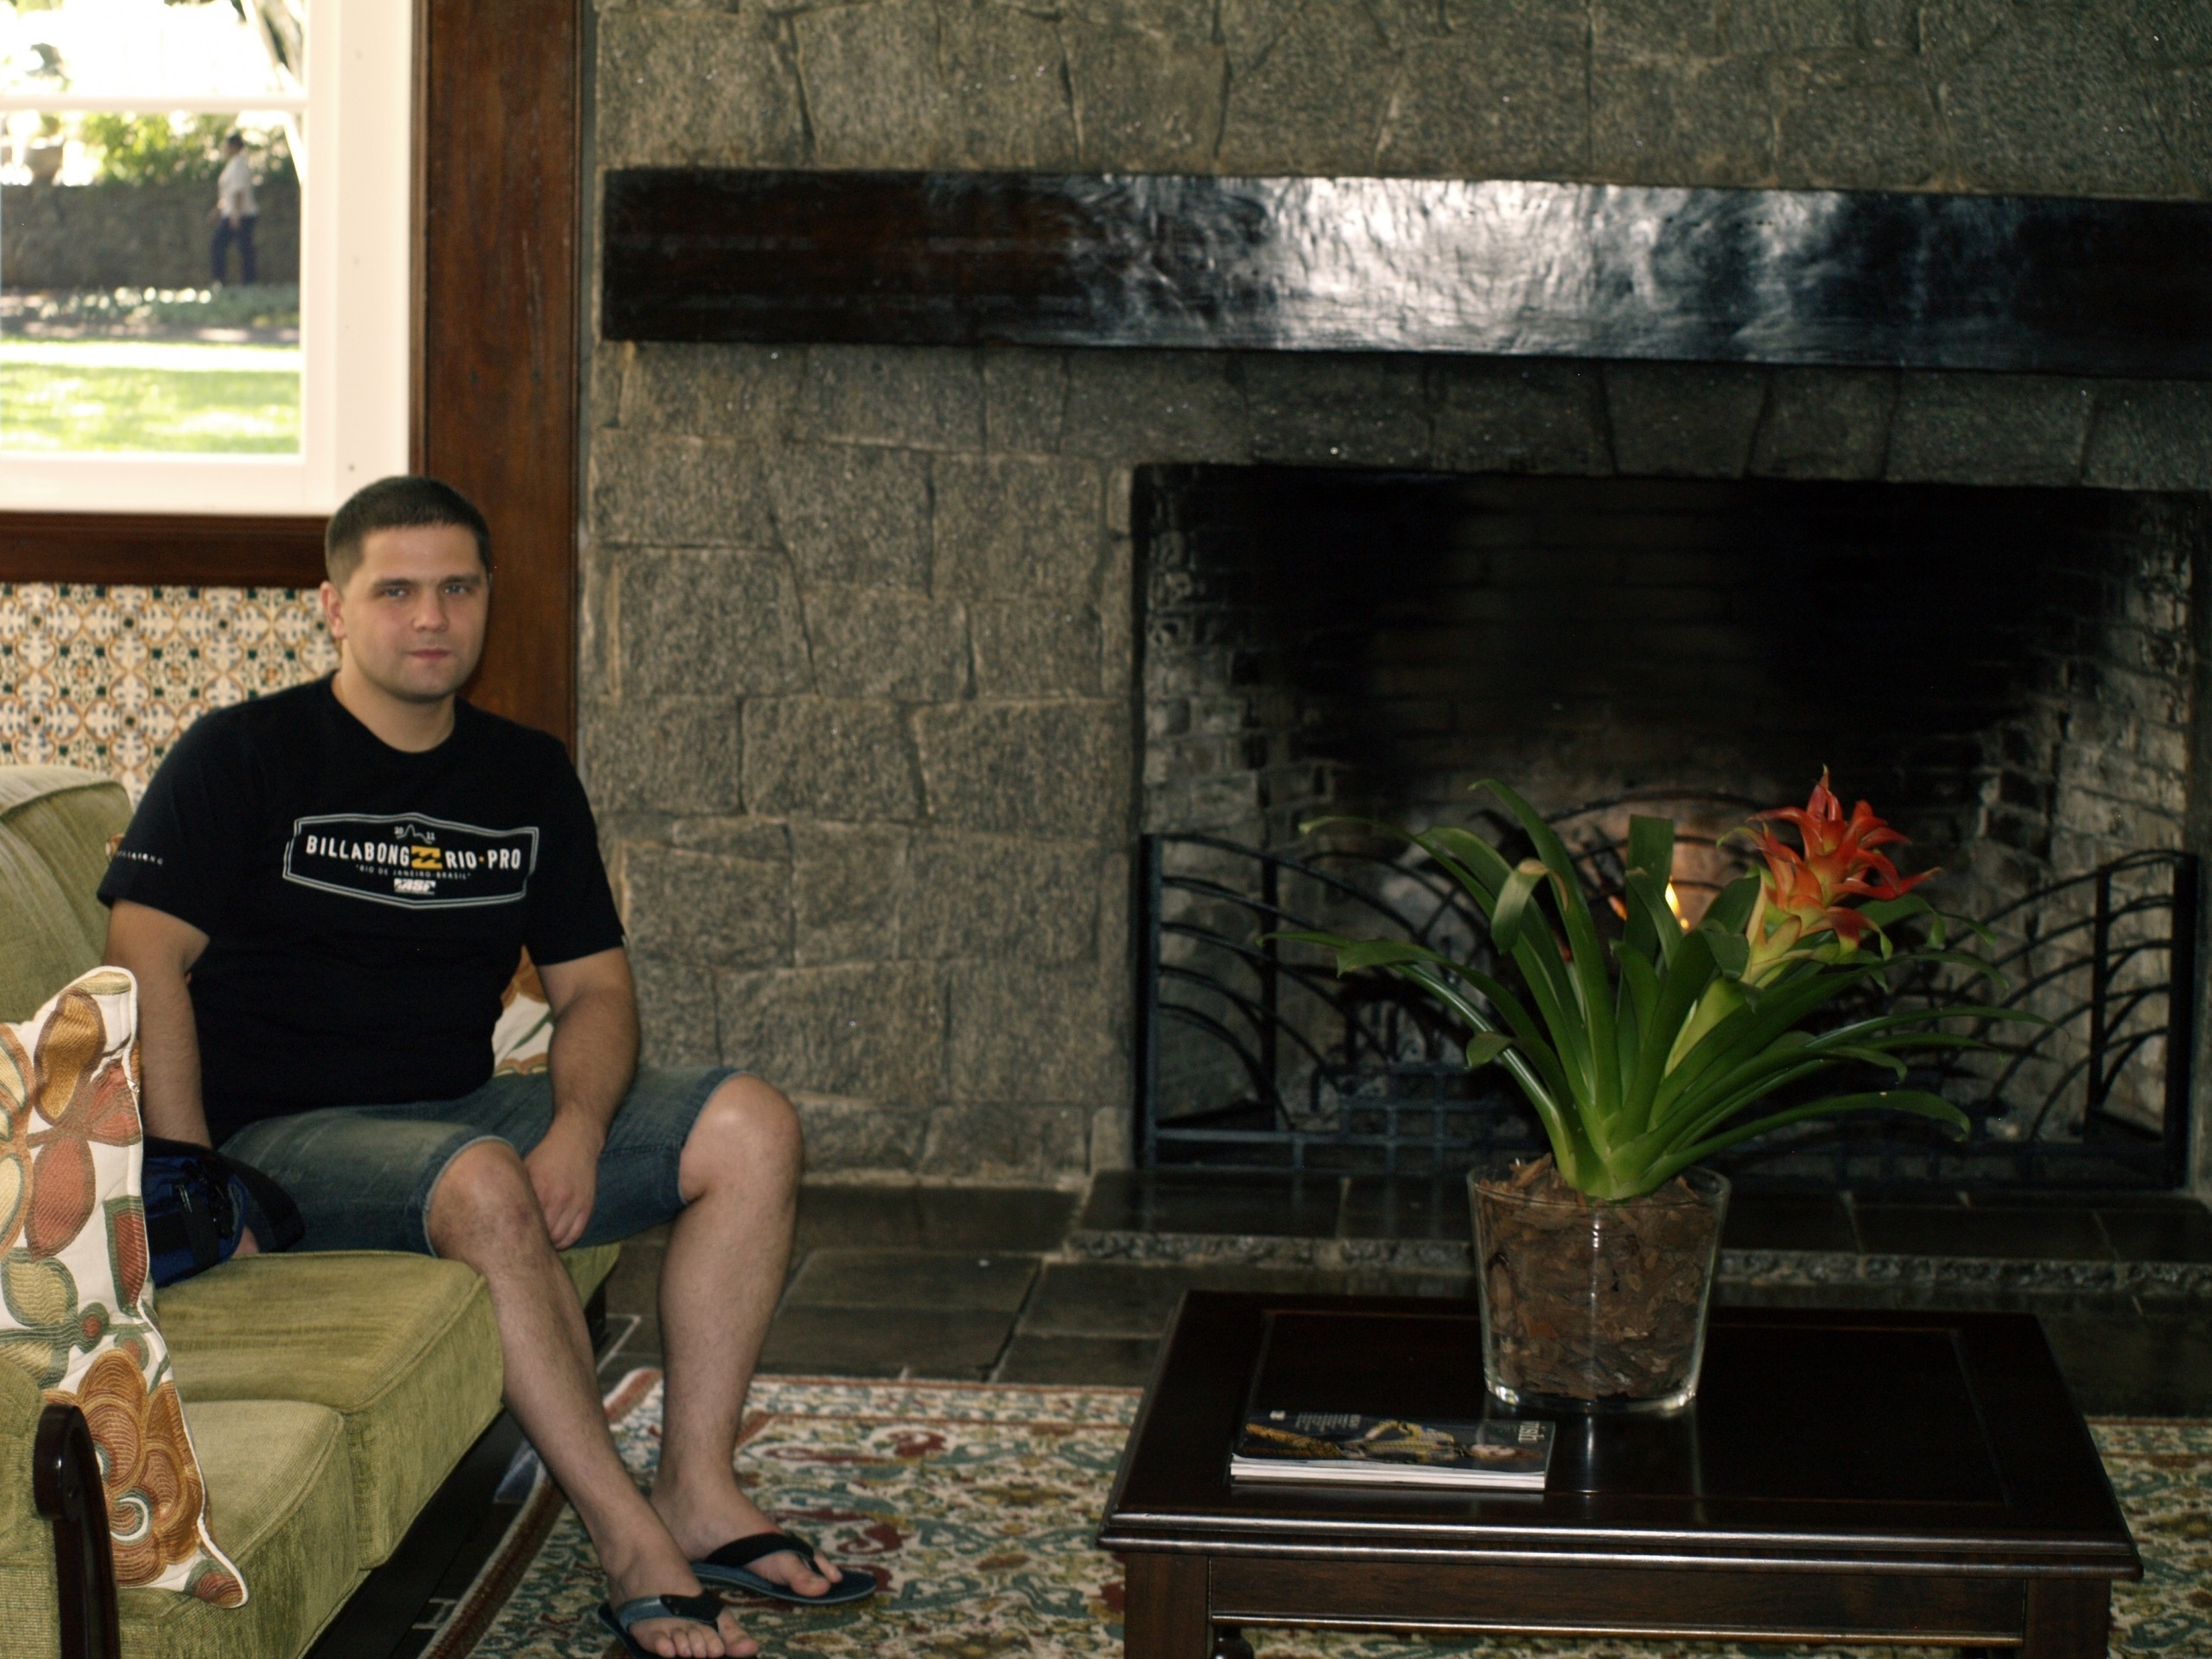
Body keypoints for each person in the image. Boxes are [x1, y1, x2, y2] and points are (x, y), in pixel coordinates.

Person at [99, 476, 860, 1659]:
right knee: (484, 1179)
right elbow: (144, 959)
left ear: (488, 598)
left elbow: (594, 988)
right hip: (285, 1141)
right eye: (395, 591)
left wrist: (579, 1129)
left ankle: (700, 1492)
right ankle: (629, 1539)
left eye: (457, 588)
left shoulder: (524, 773)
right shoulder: (241, 754)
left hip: (457, 1105)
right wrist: (201, 1183)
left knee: (751, 1125)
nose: (430, 617)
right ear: (333, 607)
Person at [209, 132, 258, 285]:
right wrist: (218, 210)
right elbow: (227, 194)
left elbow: (238, 192)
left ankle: (229, 281)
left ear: (234, 146)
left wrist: (236, 214)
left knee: (224, 244)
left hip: (241, 214)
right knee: (242, 247)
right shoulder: (232, 165)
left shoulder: (239, 165)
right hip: (231, 212)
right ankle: (244, 281)